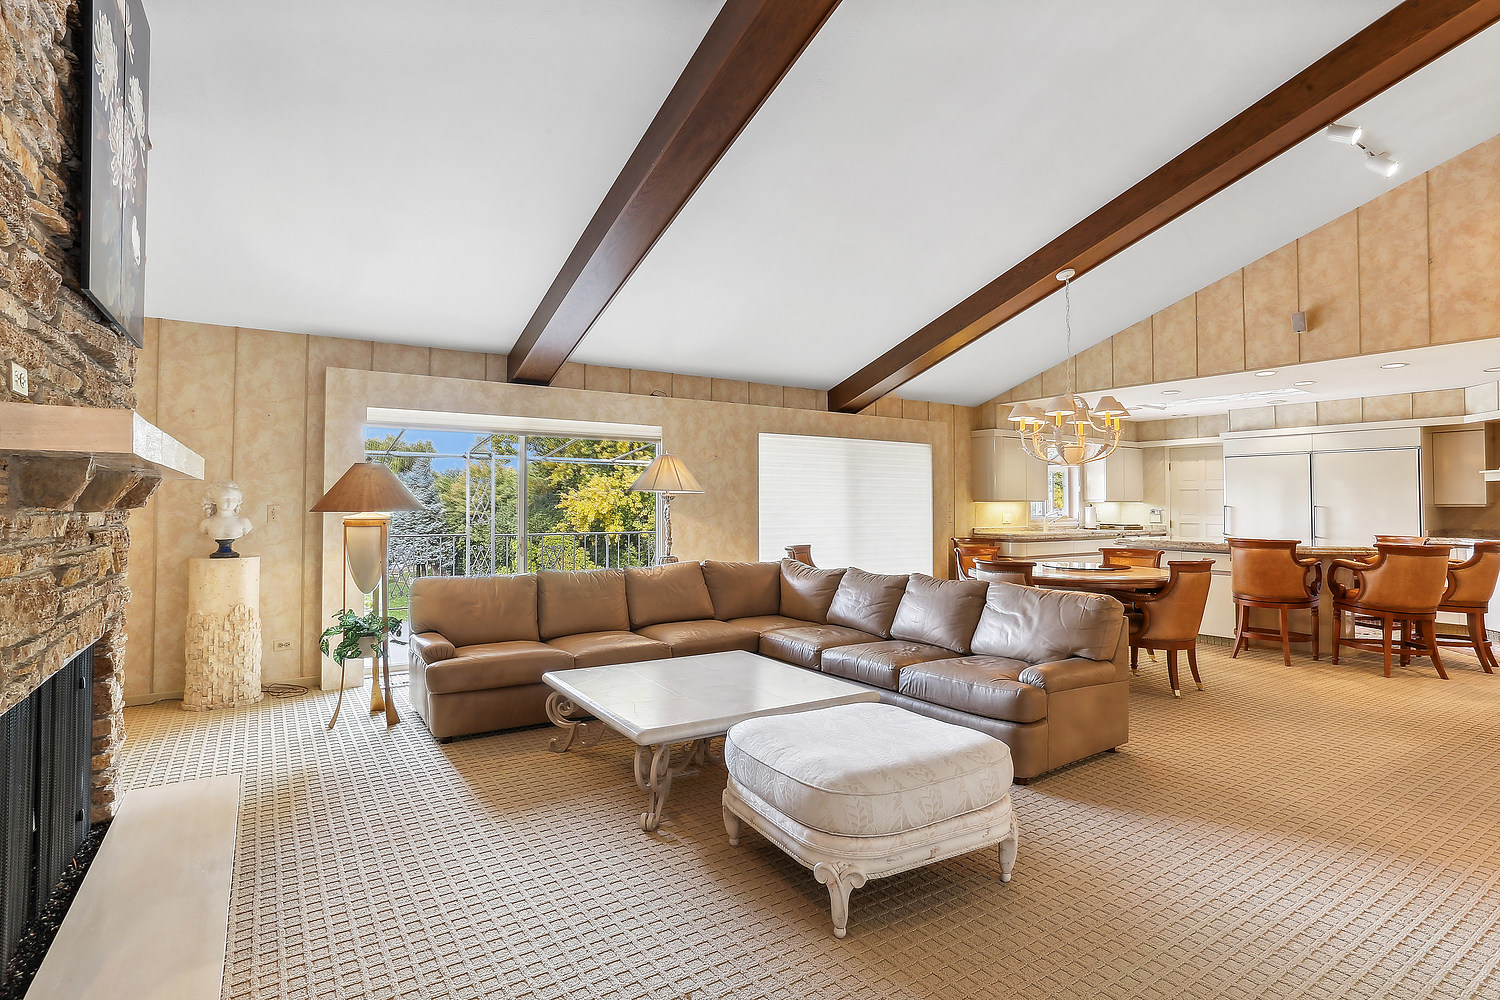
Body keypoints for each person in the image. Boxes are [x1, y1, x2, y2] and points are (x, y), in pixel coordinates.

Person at [198, 479, 253, 556]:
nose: (230, 502)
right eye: (225, 498)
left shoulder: (243, 522)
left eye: (234, 499)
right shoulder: (206, 523)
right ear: (214, 500)